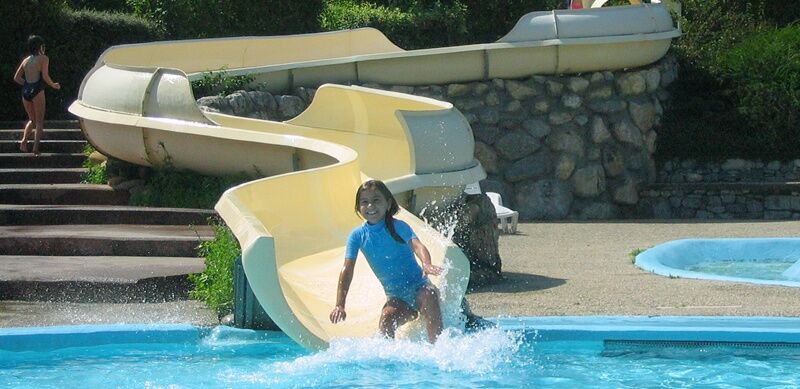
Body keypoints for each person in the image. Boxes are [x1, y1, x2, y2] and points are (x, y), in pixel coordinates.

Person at [330, 179, 444, 343]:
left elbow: (418, 246)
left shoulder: (399, 227)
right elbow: (347, 270)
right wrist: (340, 304)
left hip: (420, 287)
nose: (370, 206)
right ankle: (388, 355)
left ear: (388, 203)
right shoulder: (357, 236)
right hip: (398, 298)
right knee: (387, 317)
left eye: (376, 200)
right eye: (364, 202)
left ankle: (438, 345)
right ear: (358, 207)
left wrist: (426, 264)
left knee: (429, 294)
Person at [13, 35, 60, 156]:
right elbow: (45, 76)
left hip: (26, 91)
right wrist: (53, 85)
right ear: (40, 46)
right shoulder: (43, 58)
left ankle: (24, 141)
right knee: (39, 122)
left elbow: (16, 78)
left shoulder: (26, 60)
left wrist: (27, 85)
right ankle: (35, 148)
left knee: (32, 120)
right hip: (37, 90)